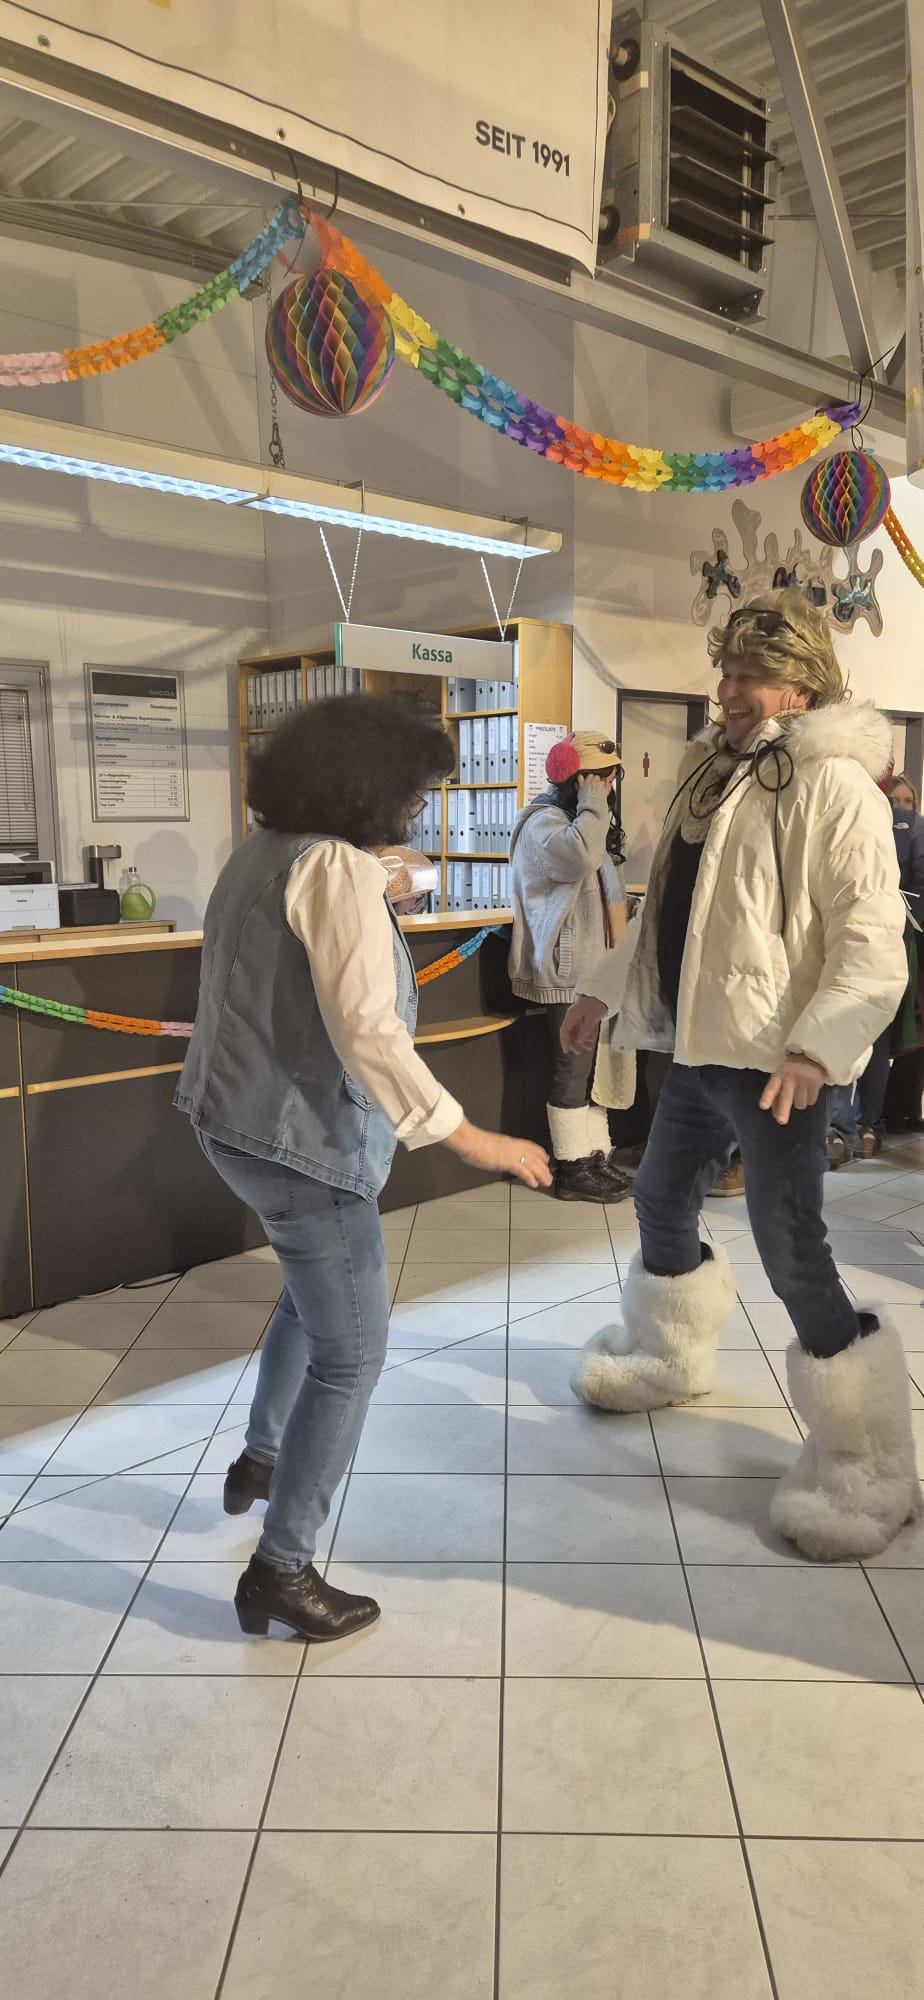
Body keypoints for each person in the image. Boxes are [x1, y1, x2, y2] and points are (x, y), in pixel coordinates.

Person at [176, 693, 550, 1642]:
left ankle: (262, 1460)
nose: (419, 808)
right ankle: (282, 1569)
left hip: (228, 1123)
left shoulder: (265, 850)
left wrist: (392, 884)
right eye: (414, 792)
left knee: (309, 1301)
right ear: (366, 785)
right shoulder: (335, 868)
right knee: (352, 1354)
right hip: (300, 1142)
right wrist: (475, 1138)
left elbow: (363, 903)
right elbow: (368, 1032)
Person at [562, 590, 920, 1561]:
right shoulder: (712, 774)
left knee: (790, 1244)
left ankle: (869, 1459)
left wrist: (817, 1048)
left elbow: (871, 937)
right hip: (699, 1047)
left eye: (749, 676)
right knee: (657, 1197)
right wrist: (602, 987)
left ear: (799, 687)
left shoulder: (835, 786)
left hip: (774, 1065)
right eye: (725, 673)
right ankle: (669, 1351)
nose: (727, 690)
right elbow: (666, 917)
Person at [508, 729, 632, 1201]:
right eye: (600, 780)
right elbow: (580, 858)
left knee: (593, 1070)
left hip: (594, 970)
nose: (607, 789)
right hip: (566, 971)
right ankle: (571, 1167)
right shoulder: (544, 823)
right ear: (576, 780)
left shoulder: (578, 821)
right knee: (573, 1069)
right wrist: (594, 803)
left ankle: (594, 1154)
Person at [827, 770, 924, 1160]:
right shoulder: (901, 826)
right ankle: (856, 1127)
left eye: (907, 800)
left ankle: (853, 1127)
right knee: (856, 1030)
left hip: (880, 939)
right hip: (864, 937)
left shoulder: (906, 827)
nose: (900, 807)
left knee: (862, 1031)